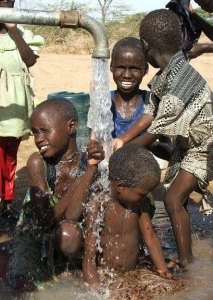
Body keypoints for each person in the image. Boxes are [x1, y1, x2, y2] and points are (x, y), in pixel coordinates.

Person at [130, 9, 213, 264]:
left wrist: (123, 151)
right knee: (178, 199)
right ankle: (183, 250)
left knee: (172, 198)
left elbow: (156, 128)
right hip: (187, 145)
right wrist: (123, 140)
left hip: (205, 148)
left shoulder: (179, 81)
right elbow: (150, 113)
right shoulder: (169, 71)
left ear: (145, 45)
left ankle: (187, 263)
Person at [7, 99, 105, 290]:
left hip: (67, 236)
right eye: (35, 132)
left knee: (69, 234)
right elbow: (45, 221)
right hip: (34, 234)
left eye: (44, 130)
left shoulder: (87, 165)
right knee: (20, 287)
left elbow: (72, 216)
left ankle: (66, 270)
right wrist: (81, 180)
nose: (38, 139)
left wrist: (91, 170)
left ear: (71, 126)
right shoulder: (38, 163)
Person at [83, 144, 172, 292]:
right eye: (142, 194)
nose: (146, 197)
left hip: (132, 273)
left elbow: (150, 238)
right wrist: (93, 288)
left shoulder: (138, 204)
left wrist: (164, 272)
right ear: (121, 186)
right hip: (106, 275)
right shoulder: (99, 205)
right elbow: (89, 252)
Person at [0, 0, 44, 224]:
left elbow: (30, 60)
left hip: (15, 109)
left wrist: (13, 29)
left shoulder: (22, 32)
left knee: (9, 158)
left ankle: (7, 204)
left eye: (5, 0)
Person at [109, 37, 171, 169]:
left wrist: (150, 144)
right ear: (111, 67)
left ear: (145, 70)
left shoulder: (153, 102)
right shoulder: (103, 101)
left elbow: (168, 152)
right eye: (120, 67)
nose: (127, 74)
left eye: (134, 69)